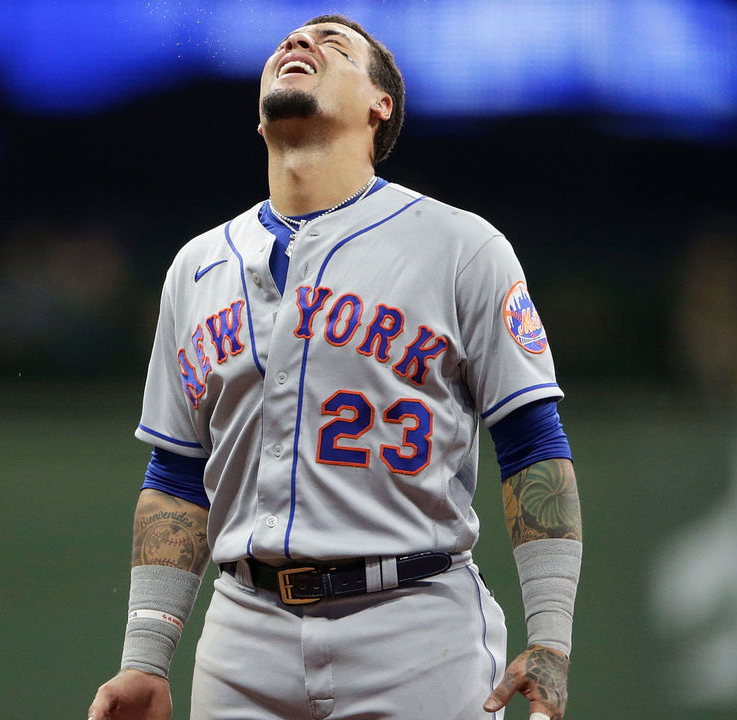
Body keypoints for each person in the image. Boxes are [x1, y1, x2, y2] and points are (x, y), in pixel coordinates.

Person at [88, 13, 583, 720]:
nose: (297, 43)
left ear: (381, 106)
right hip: (244, 631)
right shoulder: (197, 268)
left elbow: (534, 447)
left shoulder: (459, 247)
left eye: (332, 45)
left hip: (416, 624)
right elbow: (175, 476)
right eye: (287, 41)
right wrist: (144, 657)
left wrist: (552, 640)